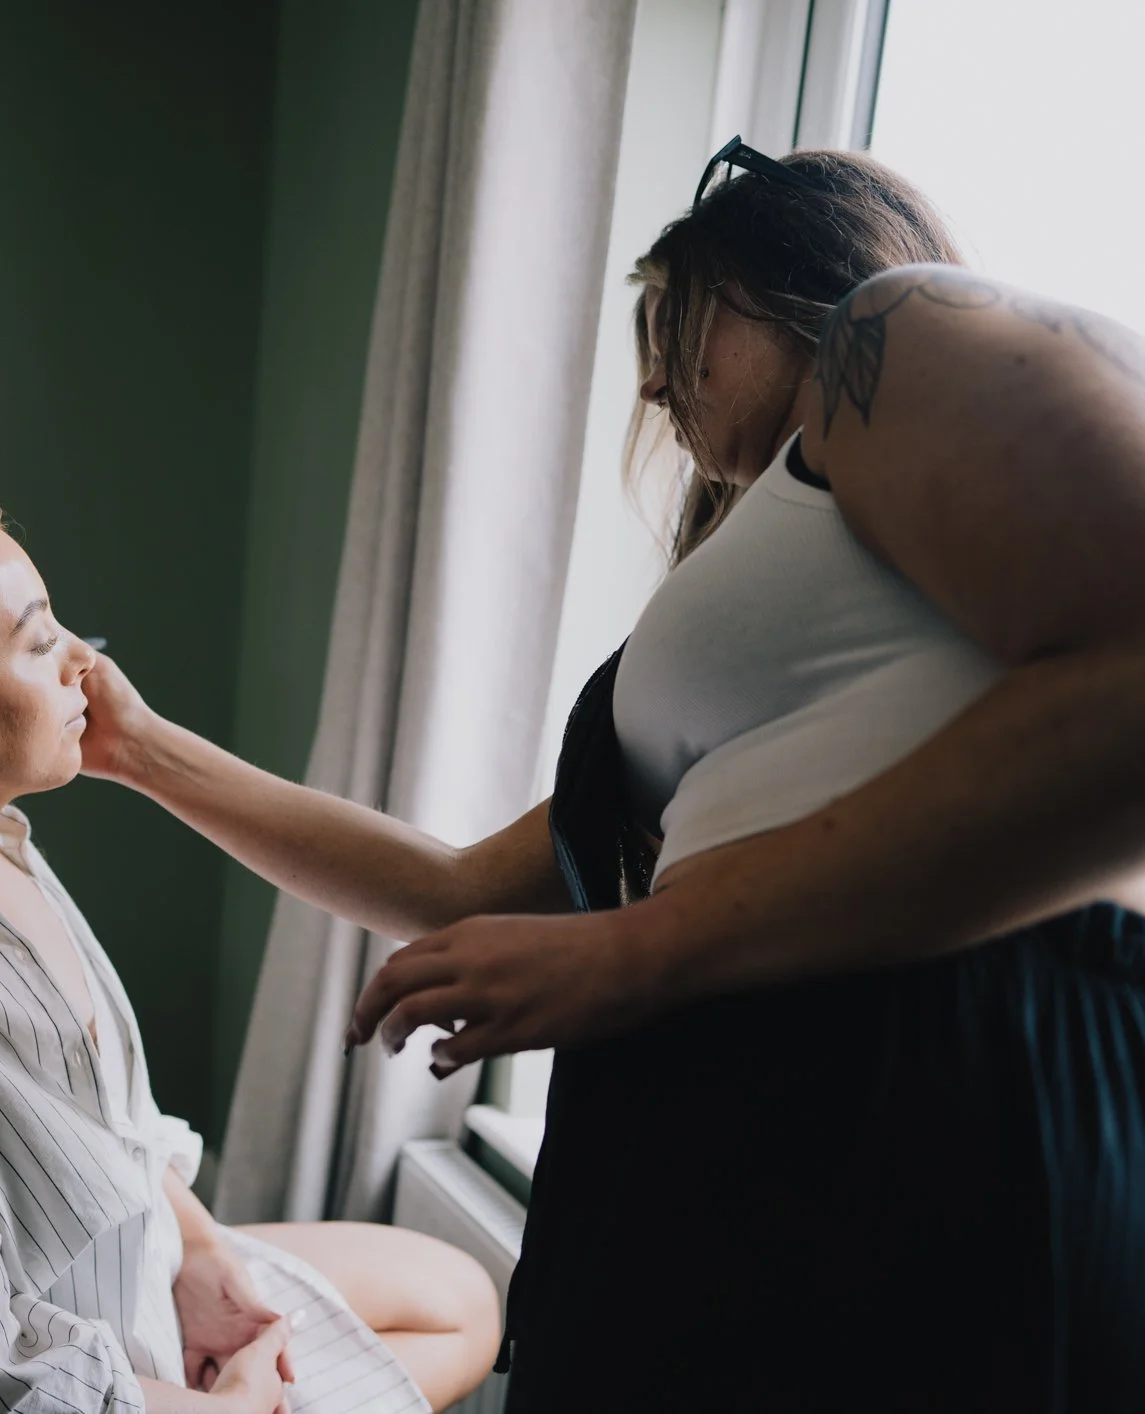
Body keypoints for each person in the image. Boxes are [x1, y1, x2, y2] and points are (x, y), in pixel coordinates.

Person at [76, 145, 1145, 1410]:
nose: (652, 378)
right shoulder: (783, 593)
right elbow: (459, 884)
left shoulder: (902, 329)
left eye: (678, 323)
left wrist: (642, 950)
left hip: (925, 1091)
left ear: (797, 275)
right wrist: (136, 747)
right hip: (746, 1122)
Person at [0, 495, 500, 1414]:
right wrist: (233, 1410)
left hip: (147, 1272)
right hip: (101, 1382)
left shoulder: (1, 853)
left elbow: (116, 1128)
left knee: (461, 1301)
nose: (90, 662)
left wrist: (201, 1253)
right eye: (42, 643)